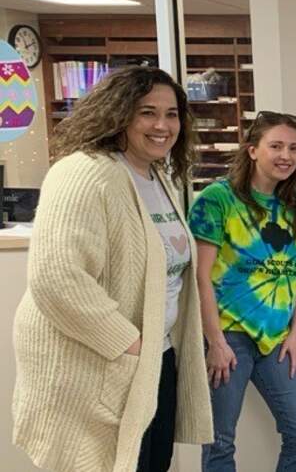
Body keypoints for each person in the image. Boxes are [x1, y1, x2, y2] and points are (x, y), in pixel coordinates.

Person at [13, 66, 212, 472]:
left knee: (153, 462)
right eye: (147, 112)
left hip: (154, 357)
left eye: (171, 114)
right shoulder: (84, 172)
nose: (162, 125)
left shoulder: (156, 176)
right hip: (101, 365)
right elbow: (56, 277)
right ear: (117, 113)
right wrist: (129, 343)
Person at [189, 111, 296, 471]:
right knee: (219, 441)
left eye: (293, 148)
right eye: (275, 146)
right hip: (229, 335)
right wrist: (215, 341)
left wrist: (295, 335)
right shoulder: (218, 199)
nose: (286, 156)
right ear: (252, 150)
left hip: (277, 339)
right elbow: (199, 276)